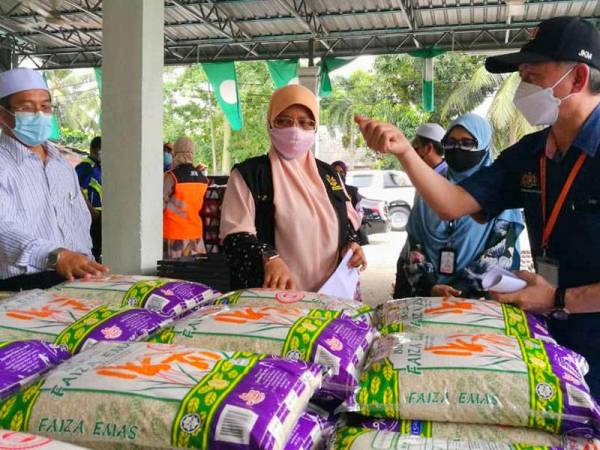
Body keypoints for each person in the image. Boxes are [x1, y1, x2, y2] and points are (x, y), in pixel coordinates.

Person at [355, 16, 600, 397]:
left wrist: (558, 297)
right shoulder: (531, 153)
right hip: (552, 333)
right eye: (521, 71)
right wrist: (404, 151)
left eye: (533, 70)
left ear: (578, 78)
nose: (522, 78)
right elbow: (453, 203)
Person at [220, 84, 366, 292]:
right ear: (270, 123)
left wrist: (351, 245)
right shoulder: (250, 174)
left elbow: (347, 223)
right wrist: (268, 257)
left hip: (331, 294)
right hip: (275, 299)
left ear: (315, 128)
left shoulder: (329, 174)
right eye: (284, 121)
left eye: (306, 123)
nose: (295, 130)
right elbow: (235, 236)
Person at [393, 114, 523, 299]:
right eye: (451, 142)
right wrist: (431, 286)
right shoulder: (430, 190)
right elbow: (414, 243)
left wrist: (457, 290)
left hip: (477, 306)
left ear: (484, 147)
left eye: (467, 143)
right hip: (428, 298)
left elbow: (500, 255)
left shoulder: (498, 193)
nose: (457, 148)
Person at [0, 68, 108, 290]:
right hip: (21, 286)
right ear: (2, 115)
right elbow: (3, 231)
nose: (39, 114)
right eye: (27, 108)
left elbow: (79, 221)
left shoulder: (62, 165)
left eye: (45, 106)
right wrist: (56, 257)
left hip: (78, 278)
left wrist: (85, 260)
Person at [163, 136, 209, 258]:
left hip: (174, 234)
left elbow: (160, 204)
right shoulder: (203, 178)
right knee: (193, 274)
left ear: (176, 152)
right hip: (195, 234)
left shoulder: (171, 176)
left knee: (173, 275)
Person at [76, 136, 102, 260]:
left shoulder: (99, 167)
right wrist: (91, 211)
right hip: (91, 215)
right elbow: (77, 190)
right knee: (92, 250)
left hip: (100, 214)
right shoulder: (85, 167)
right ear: (94, 149)